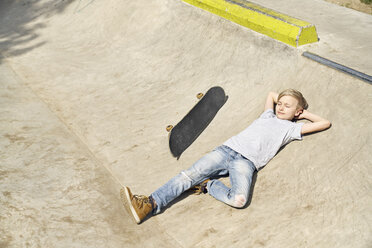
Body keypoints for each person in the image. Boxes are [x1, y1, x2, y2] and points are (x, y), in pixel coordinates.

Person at [120, 89, 331, 224]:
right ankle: (149, 204)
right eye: (280, 104)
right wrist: (284, 100)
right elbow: (271, 94)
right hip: (226, 150)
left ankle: (208, 186)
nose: (281, 107)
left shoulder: (290, 129)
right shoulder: (267, 114)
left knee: (239, 200)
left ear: (298, 111)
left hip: (246, 163)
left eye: (288, 106)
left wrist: (302, 115)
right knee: (188, 175)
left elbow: (324, 123)